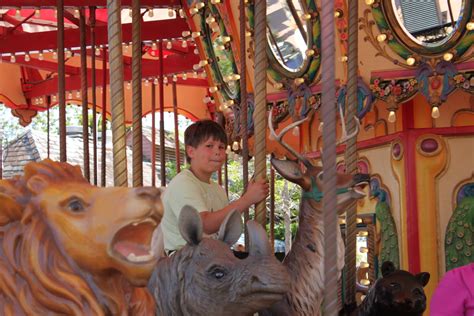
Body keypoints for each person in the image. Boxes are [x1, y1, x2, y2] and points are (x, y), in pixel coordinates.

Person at [161, 119, 269, 255]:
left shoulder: (217, 189)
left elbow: (222, 227)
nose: (217, 152)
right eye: (209, 146)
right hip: (185, 258)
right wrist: (247, 199)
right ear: (191, 151)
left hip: (209, 255)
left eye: (221, 147)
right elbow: (206, 226)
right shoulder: (183, 183)